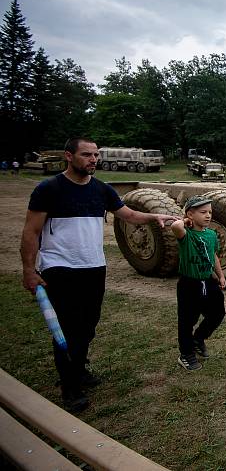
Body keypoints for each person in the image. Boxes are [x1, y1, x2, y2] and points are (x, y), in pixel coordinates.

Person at [20, 137, 180, 412]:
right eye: (86, 155)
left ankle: (78, 368)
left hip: (93, 266)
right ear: (69, 156)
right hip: (59, 267)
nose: (93, 159)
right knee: (68, 328)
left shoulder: (101, 190)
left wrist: (154, 218)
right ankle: (71, 388)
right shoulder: (49, 189)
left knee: (88, 324)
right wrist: (28, 270)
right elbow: (31, 232)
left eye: (96, 155)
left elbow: (128, 215)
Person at [170, 195, 226, 371]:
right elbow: (175, 226)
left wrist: (220, 275)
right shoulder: (185, 235)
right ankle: (186, 354)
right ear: (190, 215)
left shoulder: (211, 234)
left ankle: (198, 338)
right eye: (203, 212)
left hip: (208, 280)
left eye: (210, 212)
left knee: (218, 312)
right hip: (190, 283)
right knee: (187, 320)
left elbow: (214, 256)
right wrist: (185, 221)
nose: (208, 215)